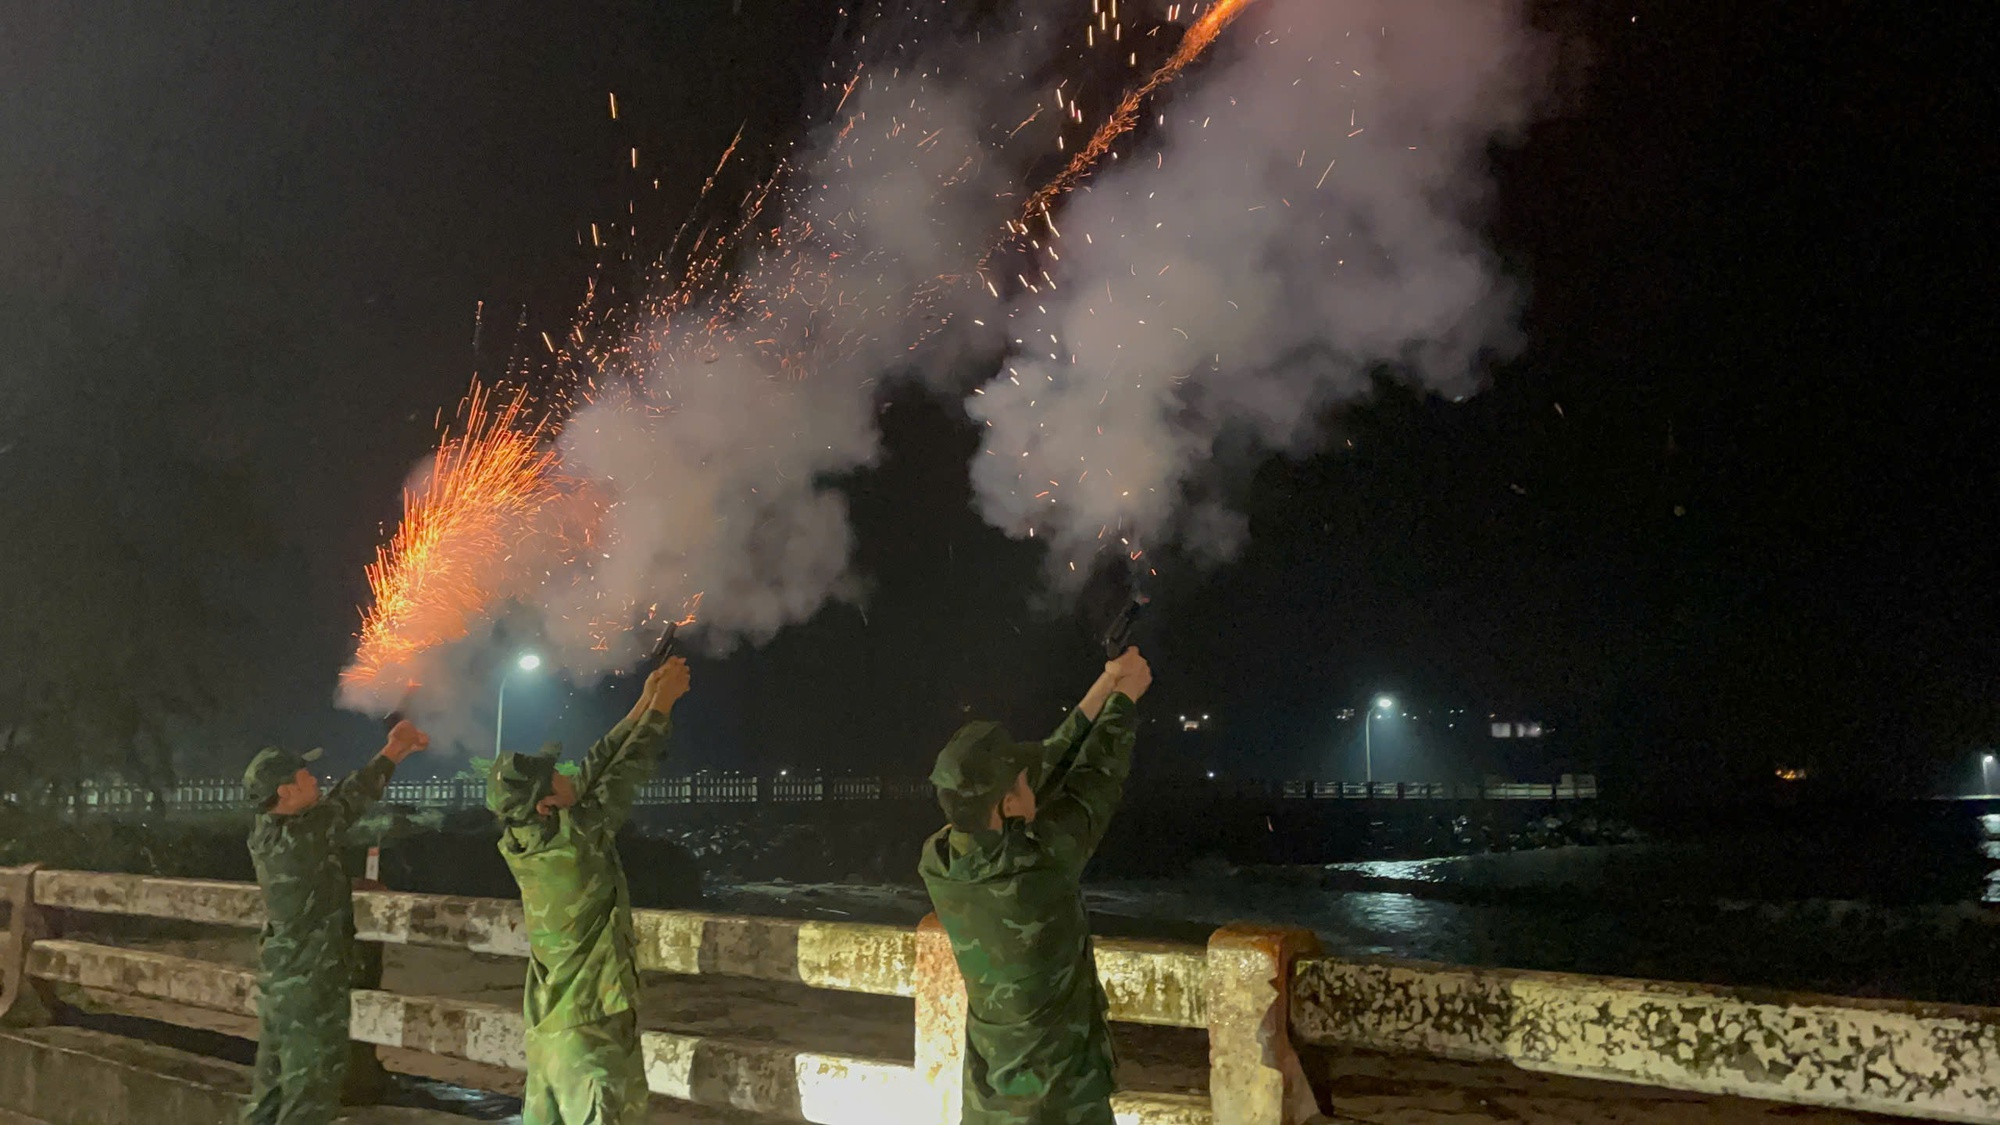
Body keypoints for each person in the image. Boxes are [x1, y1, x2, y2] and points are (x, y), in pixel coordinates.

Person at [919, 646, 1153, 1125]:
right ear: (1008, 805)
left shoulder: (939, 860)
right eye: (1024, 784)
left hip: (989, 1104)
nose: (1036, 785)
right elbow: (1094, 777)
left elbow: (1045, 762)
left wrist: (1105, 684)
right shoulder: (1040, 864)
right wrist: (1126, 698)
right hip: (1063, 1103)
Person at [486, 656, 691, 1125]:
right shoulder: (575, 842)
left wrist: (643, 701)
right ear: (546, 804)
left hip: (551, 1033)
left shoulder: (527, 840)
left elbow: (596, 769)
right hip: (592, 1033)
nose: (567, 774)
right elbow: (625, 772)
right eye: (556, 776)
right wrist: (663, 706)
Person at [241, 719, 430, 1125]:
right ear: (285, 792)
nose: (314, 779)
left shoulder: (265, 831)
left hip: (281, 982)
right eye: (304, 775)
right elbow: (350, 799)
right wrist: (394, 750)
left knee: (270, 1096)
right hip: (312, 986)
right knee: (309, 1100)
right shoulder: (304, 834)